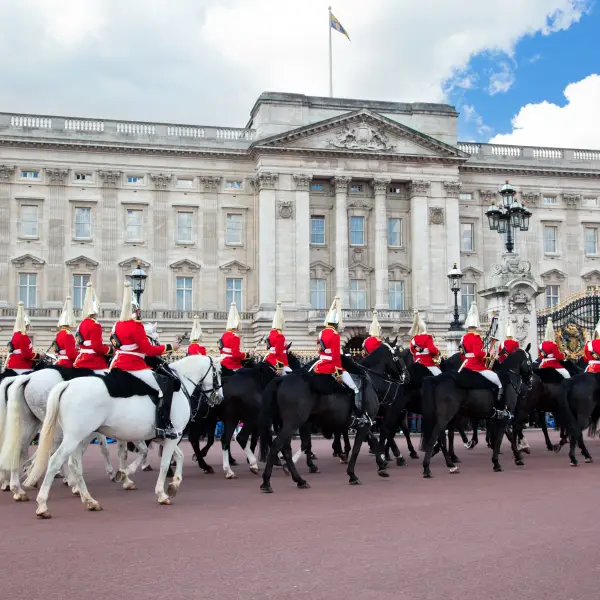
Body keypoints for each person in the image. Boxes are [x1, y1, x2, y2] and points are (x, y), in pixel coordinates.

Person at [110, 282, 180, 439]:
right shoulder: (136, 327)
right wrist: (171, 346)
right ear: (136, 311)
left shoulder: (116, 326)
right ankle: (163, 426)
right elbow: (148, 350)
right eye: (138, 310)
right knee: (166, 385)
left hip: (116, 366)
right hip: (134, 367)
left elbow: (115, 348)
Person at [312, 296, 363, 420]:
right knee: (354, 388)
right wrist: (338, 373)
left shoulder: (321, 333)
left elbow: (319, 350)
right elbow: (335, 356)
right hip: (330, 366)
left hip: (319, 364)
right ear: (336, 323)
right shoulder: (335, 335)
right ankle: (355, 414)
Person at [459, 302, 506, 416]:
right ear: (476, 326)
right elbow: (477, 353)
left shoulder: (463, 337)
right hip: (476, 366)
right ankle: (499, 409)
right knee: (499, 383)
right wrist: (488, 354)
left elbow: (462, 354)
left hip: (466, 364)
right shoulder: (476, 337)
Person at [73, 282, 113, 373]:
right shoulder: (95, 325)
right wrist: (110, 350)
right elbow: (97, 347)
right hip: (93, 361)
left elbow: (78, 344)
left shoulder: (81, 324)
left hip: (80, 360)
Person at [5, 302, 44, 374]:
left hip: (11, 364)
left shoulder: (16, 334)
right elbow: (26, 355)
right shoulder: (23, 336)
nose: (28, 328)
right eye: (27, 326)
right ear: (26, 325)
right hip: (21, 366)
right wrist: (39, 355)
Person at [409, 310, 441, 375]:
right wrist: (437, 352)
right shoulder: (427, 337)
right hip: (428, 363)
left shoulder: (413, 340)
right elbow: (432, 349)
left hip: (417, 363)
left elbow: (412, 352)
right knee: (440, 375)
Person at [264, 301, 291, 375]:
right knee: (290, 376)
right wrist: (279, 368)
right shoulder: (280, 335)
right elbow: (279, 353)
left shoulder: (271, 333)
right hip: (277, 362)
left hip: (269, 359)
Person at [219, 302, 248, 372]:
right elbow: (236, 354)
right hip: (232, 364)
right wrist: (246, 355)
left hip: (223, 362)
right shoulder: (235, 337)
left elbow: (221, 350)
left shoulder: (224, 335)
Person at [52, 295, 77, 368]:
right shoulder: (68, 335)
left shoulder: (59, 334)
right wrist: (81, 354)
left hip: (59, 361)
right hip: (67, 363)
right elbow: (71, 354)